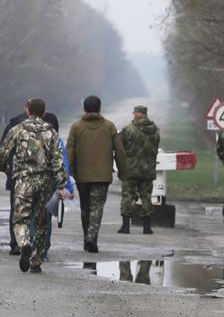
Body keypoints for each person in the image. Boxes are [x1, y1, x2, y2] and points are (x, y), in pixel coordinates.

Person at [0, 98, 67, 274]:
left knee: (20, 218)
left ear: (27, 111)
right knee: (42, 221)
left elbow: (3, 154)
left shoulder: (17, 130)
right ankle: (36, 261)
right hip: (45, 183)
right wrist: (61, 183)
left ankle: (24, 243)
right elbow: (58, 160)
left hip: (23, 181)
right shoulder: (51, 132)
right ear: (44, 113)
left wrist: (4, 168)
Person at [66, 95, 128, 253]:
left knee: (85, 208)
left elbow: (69, 152)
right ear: (99, 108)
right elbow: (119, 151)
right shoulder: (109, 127)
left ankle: (87, 236)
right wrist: (123, 172)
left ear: (84, 108)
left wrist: (68, 173)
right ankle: (91, 237)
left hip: (82, 176)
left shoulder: (76, 127)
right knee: (97, 207)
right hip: (102, 175)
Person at [37, 112, 75, 260]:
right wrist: (68, 188)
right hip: (51, 185)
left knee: (32, 216)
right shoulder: (57, 141)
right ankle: (43, 251)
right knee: (46, 218)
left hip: (30, 183)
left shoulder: (30, 137)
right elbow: (63, 166)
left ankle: (32, 245)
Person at [118, 105, 161, 235]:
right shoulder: (155, 130)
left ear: (137, 114)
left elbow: (120, 147)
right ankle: (147, 227)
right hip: (147, 170)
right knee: (146, 197)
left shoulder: (128, 130)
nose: (133, 115)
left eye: (134, 113)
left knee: (127, 196)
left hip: (130, 169)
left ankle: (125, 226)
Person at [0, 108, 28, 255]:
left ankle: (16, 243)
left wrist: (4, 169)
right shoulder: (47, 128)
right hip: (41, 179)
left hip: (16, 176)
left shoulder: (14, 126)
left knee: (17, 211)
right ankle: (34, 244)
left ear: (26, 109)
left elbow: (3, 151)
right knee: (38, 213)